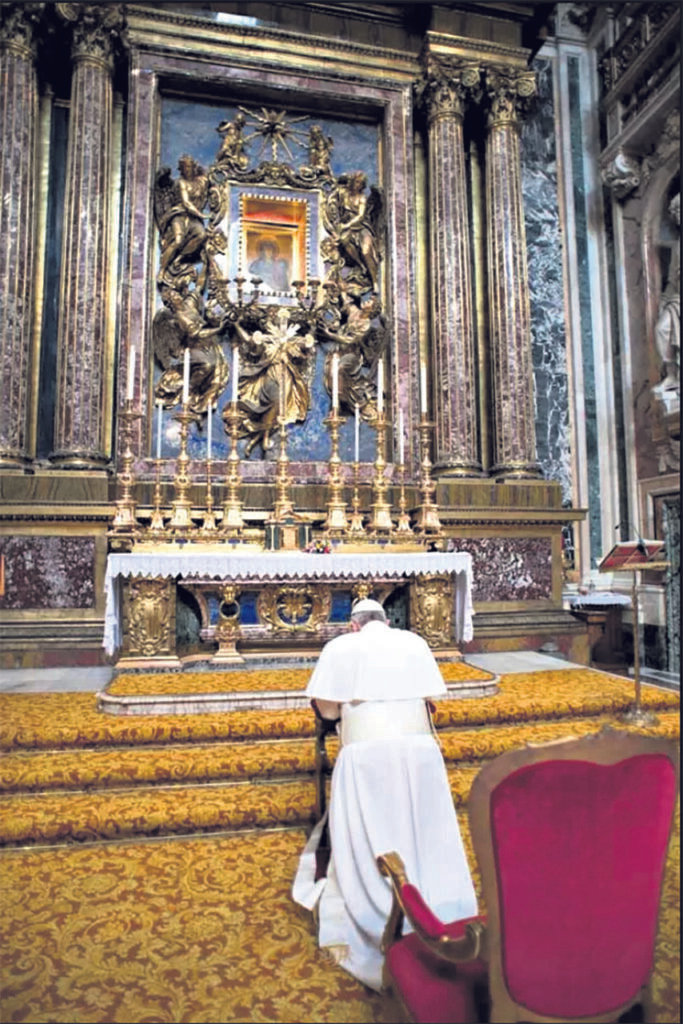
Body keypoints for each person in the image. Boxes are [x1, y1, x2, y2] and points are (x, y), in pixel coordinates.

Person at [292, 598, 478, 992]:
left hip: (366, 756)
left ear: (354, 626)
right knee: (424, 831)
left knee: (373, 830)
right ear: (386, 621)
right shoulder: (414, 642)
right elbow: (431, 697)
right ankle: (440, 901)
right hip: (421, 754)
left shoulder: (340, 648)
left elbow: (326, 711)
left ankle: (379, 908)